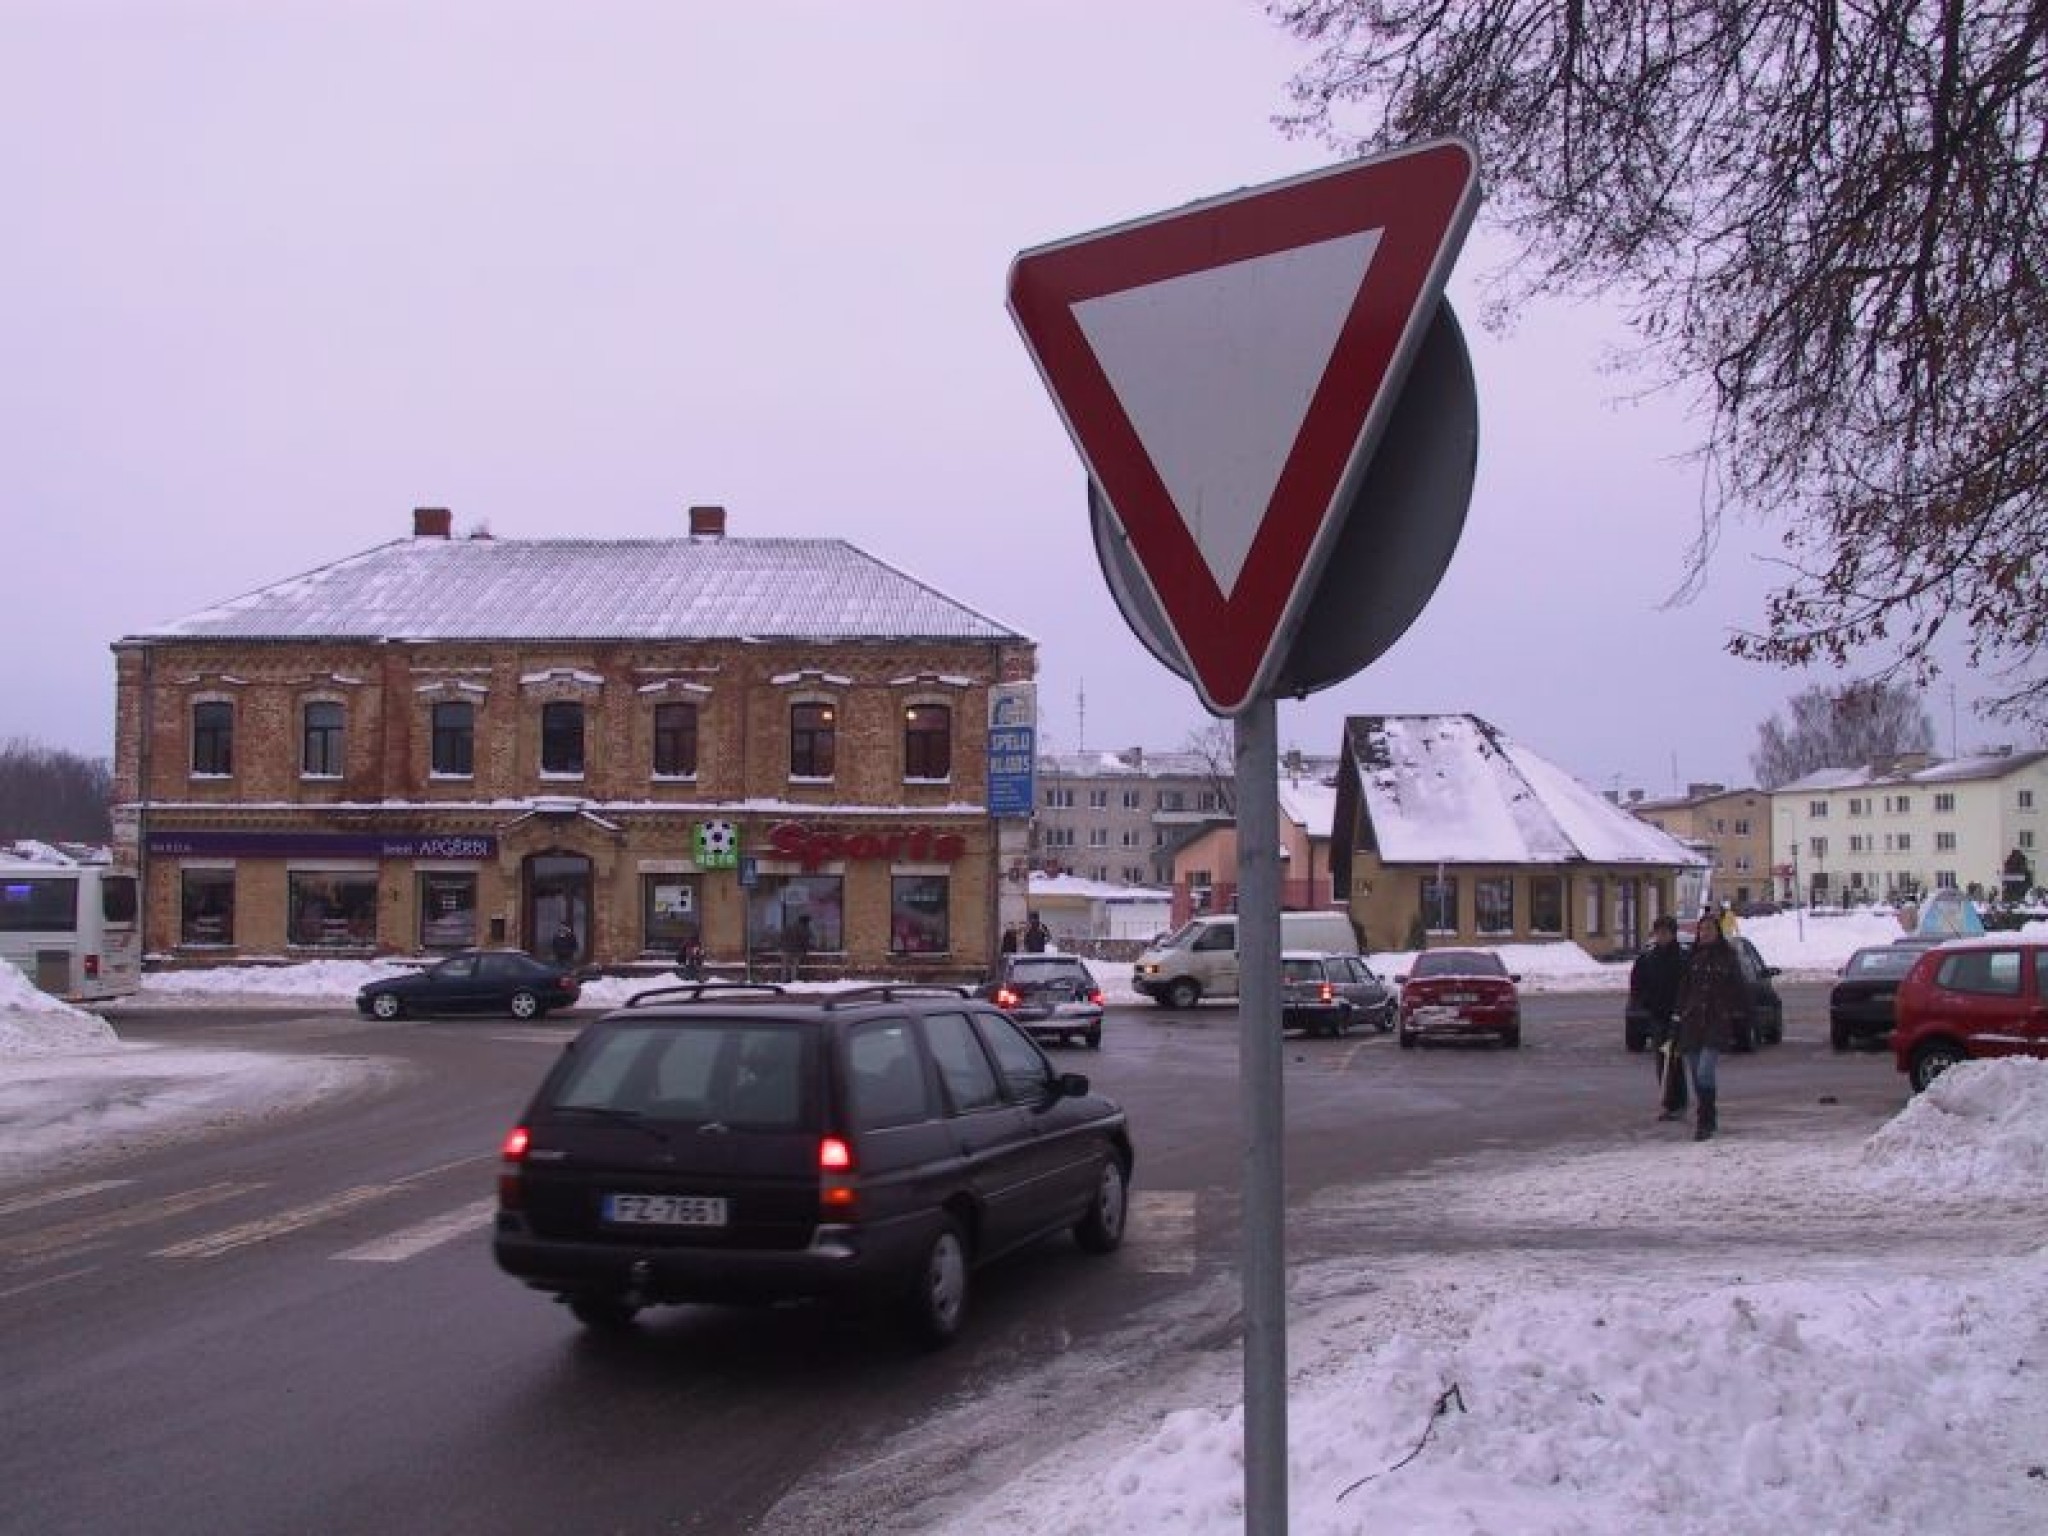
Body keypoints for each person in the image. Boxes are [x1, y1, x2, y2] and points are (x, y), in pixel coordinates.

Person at [1673, 912, 1752, 1141]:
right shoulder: (1692, 958)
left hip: (1716, 1023)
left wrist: (1742, 1018)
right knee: (1697, 1074)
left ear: (1717, 932)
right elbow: (1683, 990)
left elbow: (1740, 990)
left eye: (1709, 929)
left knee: (1706, 1070)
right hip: (1692, 1023)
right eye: (1702, 930)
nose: (1705, 933)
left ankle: (1705, 1120)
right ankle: (1708, 1113)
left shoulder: (1727, 958)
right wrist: (1677, 1017)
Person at [1630, 913, 1688, 1120]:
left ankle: (1678, 1102)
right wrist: (1645, 1003)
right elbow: (1637, 984)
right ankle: (1668, 1102)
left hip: (1678, 1017)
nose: (1661, 936)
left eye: (1665, 933)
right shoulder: (1648, 959)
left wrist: (1681, 1011)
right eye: (1658, 933)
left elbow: (1687, 987)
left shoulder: (1682, 958)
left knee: (1675, 1059)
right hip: (1658, 1016)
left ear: (1673, 934)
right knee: (1661, 1059)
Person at [781, 912, 812, 982]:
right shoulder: (803, 928)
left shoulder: (790, 926)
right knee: (794, 967)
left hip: (786, 949)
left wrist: (782, 946)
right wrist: (805, 949)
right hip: (796, 951)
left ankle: (783, 980)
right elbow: (805, 940)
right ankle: (793, 980)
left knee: (784, 966)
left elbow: (782, 936)